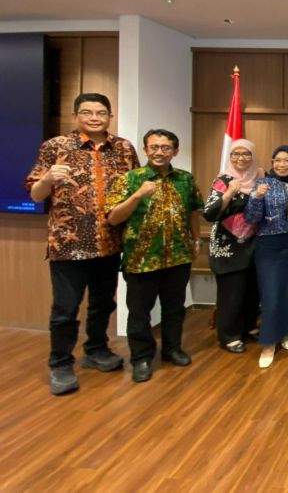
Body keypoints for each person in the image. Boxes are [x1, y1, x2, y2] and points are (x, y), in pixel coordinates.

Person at [24, 92, 139, 395]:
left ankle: (96, 350)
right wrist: (48, 178)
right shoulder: (56, 147)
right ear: (76, 115)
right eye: (87, 112)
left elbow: (133, 190)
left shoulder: (124, 149)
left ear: (109, 116)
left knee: (103, 303)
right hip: (68, 244)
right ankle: (60, 364)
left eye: (101, 112)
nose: (94, 118)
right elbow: (35, 194)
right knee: (65, 308)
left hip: (110, 242)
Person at [105, 129, 203, 383]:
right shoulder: (130, 179)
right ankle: (141, 358)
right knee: (139, 312)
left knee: (174, 309)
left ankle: (172, 349)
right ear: (146, 150)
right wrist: (137, 196)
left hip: (178, 257)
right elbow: (113, 217)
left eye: (166, 147)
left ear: (175, 151)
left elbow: (194, 210)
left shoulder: (185, 179)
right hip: (141, 258)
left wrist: (195, 239)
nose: (160, 152)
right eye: (154, 147)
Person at [244, 145, 288, 368]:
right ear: (272, 162)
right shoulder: (263, 183)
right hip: (268, 246)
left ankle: (286, 331)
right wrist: (256, 198)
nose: (282, 165)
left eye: (287, 160)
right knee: (270, 295)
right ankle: (269, 342)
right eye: (278, 160)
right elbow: (251, 218)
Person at [202, 139, 262, 354]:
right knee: (231, 293)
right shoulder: (223, 179)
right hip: (228, 246)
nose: (241, 158)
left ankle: (248, 326)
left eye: (245, 154)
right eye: (236, 154)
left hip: (254, 244)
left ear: (252, 156)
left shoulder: (259, 177)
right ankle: (229, 335)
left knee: (251, 290)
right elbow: (209, 213)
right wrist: (228, 194)